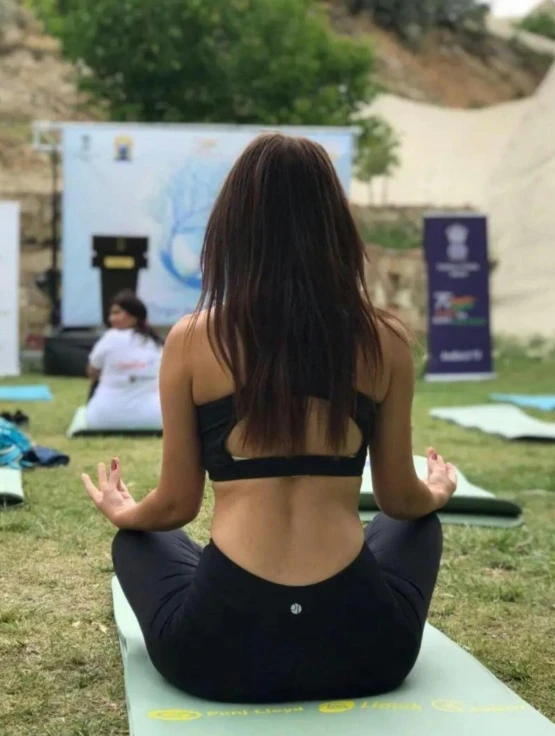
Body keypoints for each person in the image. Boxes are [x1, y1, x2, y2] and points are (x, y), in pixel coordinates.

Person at [82, 134, 457, 704]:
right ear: (336, 228)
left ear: (233, 230)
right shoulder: (385, 341)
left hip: (216, 655)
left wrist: (124, 511)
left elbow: (175, 506)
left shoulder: (191, 340)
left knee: (136, 542)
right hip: (368, 653)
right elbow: (400, 503)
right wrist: (437, 489)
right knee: (416, 526)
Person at [85, 291, 163, 431]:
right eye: (111, 314)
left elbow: (92, 372)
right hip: (153, 418)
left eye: (117, 313)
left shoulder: (109, 338)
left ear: (134, 316)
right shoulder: (156, 343)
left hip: (102, 418)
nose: (111, 319)